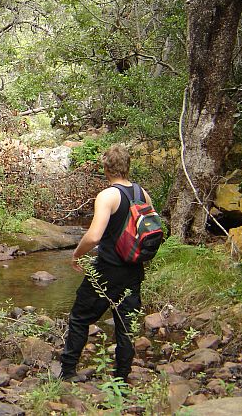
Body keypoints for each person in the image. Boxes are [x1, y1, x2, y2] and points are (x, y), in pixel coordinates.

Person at [60, 144, 152, 383]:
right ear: (128, 166)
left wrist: (77, 254)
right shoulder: (143, 193)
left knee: (80, 317)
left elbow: (93, 237)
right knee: (126, 325)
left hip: (107, 270)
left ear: (106, 168)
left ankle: (68, 372)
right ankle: (121, 378)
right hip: (134, 270)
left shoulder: (107, 196)